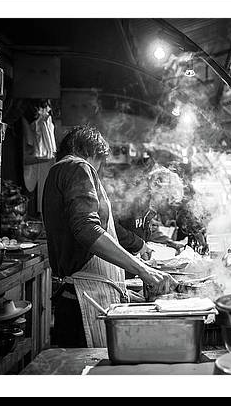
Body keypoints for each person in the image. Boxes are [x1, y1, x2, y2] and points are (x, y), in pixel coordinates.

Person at [42, 126, 177, 348]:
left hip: (81, 297)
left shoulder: (59, 171)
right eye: (101, 161)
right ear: (91, 150)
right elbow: (86, 228)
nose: (100, 169)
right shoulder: (78, 166)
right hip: (83, 301)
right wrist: (143, 269)